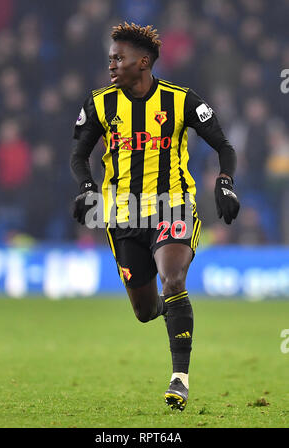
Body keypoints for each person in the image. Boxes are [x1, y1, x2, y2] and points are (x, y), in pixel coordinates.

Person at [70, 22, 240, 411]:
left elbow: (223, 146)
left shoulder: (181, 100)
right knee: (145, 311)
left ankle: (179, 379)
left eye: (119, 58)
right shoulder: (99, 104)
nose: (111, 64)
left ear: (142, 62)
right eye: (110, 58)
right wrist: (86, 186)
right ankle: (172, 308)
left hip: (173, 205)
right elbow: (79, 156)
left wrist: (225, 182)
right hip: (123, 216)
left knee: (173, 276)